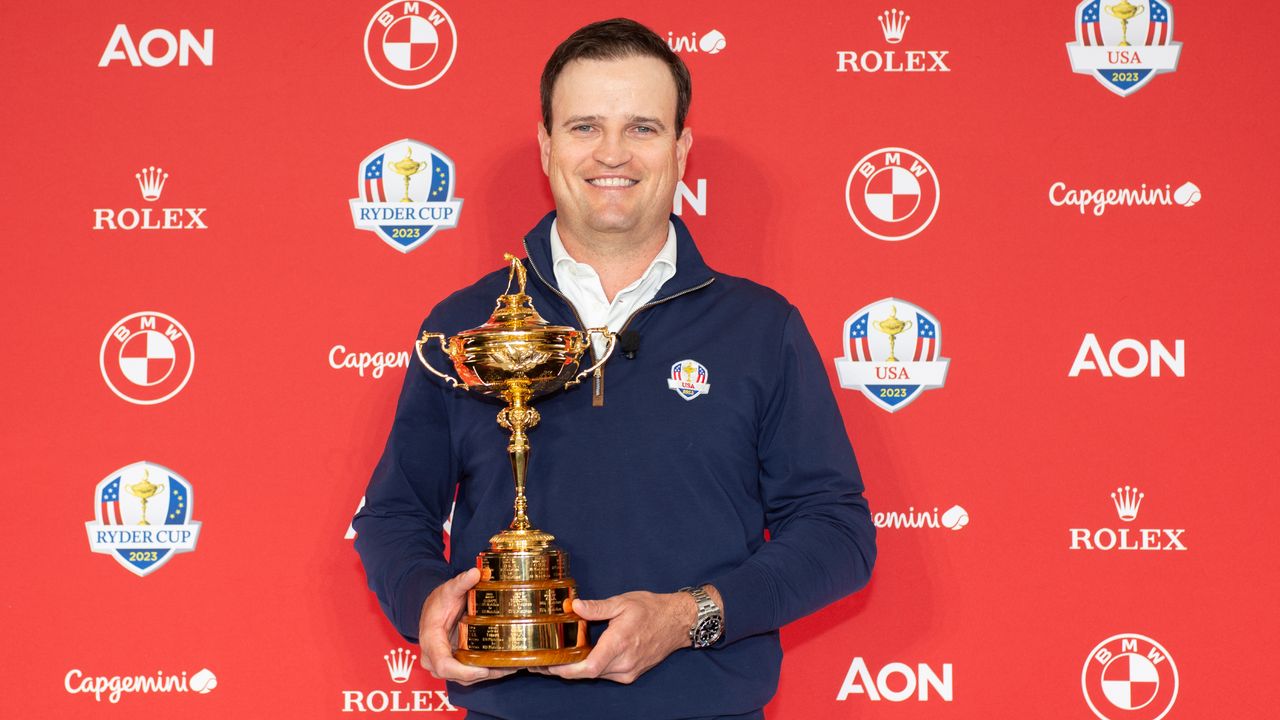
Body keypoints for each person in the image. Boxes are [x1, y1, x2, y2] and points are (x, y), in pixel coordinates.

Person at [354, 18, 876, 720]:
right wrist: (426, 600)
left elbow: (837, 532)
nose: (612, 153)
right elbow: (393, 514)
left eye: (642, 128)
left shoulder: (761, 327)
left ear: (681, 149)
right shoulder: (467, 326)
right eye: (584, 127)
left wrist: (693, 616)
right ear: (546, 146)